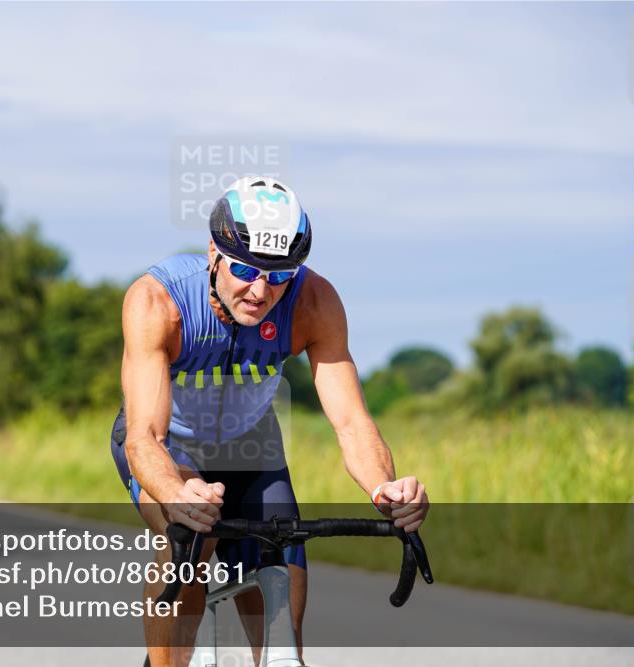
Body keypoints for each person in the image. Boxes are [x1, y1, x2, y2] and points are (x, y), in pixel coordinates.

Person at [110, 176, 429, 667]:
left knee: (281, 598)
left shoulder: (313, 302)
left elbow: (350, 420)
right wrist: (176, 495)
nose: (261, 291)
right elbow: (144, 438)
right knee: (190, 543)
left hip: (252, 446)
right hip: (171, 446)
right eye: (244, 269)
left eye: (279, 275)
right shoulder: (159, 303)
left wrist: (383, 489)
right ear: (214, 253)